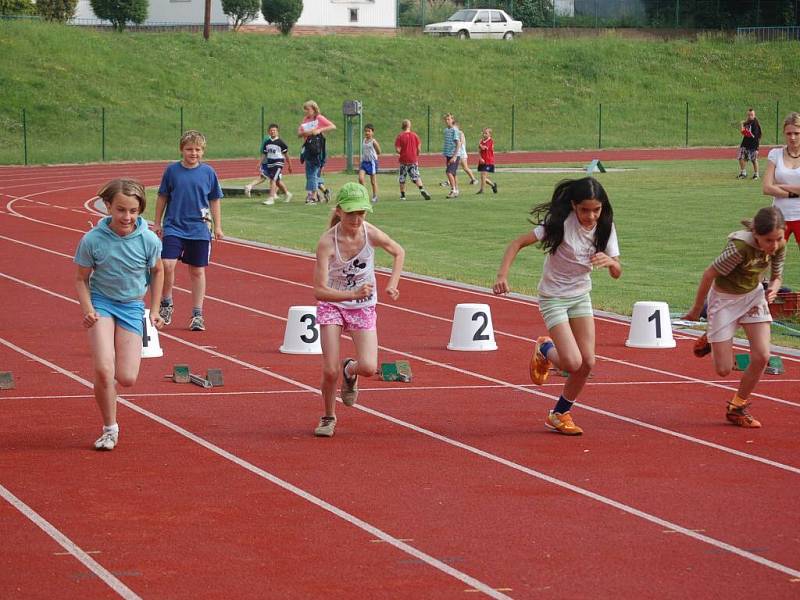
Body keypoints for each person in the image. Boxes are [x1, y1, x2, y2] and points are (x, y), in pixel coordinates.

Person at [493, 177, 621, 436]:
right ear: (574, 205)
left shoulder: (605, 226)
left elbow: (617, 271)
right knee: (573, 363)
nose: (591, 216)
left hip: (580, 296)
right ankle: (545, 347)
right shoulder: (559, 224)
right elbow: (516, 243)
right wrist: (502, 276)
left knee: (588, 362)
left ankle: (560, 413)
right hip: (553, 297)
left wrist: (610, 262)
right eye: (585, 210)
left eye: (596, 210)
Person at [74, 178, 164, 451]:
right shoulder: (92, 240)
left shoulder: (148, 239)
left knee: (126, 378)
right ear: (108, 206)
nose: (127, 217)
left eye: (133, 211)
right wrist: (88, 309)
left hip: (131, 306)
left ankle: (107, 386)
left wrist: (156, 309)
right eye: (121, 210)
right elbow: (81, 279)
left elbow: (158, 271)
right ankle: (109, 428)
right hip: (102, 304)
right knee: (103, 369)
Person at [312, 182, 405, 437]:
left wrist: (392, 283)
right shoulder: (326, 243)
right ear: (339, 211)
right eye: (351, 213)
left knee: (368, 368)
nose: (356, 218)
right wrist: (350, 293)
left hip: (362, 306)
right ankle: (328, 416)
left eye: (361, 213)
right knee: (329, 369)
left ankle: (349, 370)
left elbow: (398, 252)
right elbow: (319, 290)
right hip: (333, 303)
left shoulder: (370, 233)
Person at [684, 207, 786, 428]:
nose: (774, 245)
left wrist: (774, 288)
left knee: (762, 356)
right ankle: (712, 336)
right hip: (725, 300)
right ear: (756, 235)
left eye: (778, 239)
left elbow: (777, 276)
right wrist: (695, 309)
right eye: (769, 240)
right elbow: (709, 274)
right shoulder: (739, 248)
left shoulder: (779, 245)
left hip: (753, 297)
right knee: (724, 370)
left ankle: (737, 407)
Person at [154, 130, 224, 332]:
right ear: (181, 150)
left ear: (203, 151)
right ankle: (166, 302)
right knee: (167, 264)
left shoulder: (209, 172)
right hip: (174, 226)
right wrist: (157, 222)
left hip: (200, 228)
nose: (193, 153)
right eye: (189, 149)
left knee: (197, 271)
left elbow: (214, 200)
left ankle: (197, 314)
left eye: (198, 150)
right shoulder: (172, 171)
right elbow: (162, 197)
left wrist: (218, 226)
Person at [762, 112, 800, 254]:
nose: (792, 137)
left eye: (796, 133)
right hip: (779, 217)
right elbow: (766, 188)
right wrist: (794, 194)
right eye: (789, 133)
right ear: (784, 133)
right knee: (769, 259)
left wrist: (779, 187)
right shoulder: (775, 154)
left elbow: (773, 187)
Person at [244, 123, 293, 206]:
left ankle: (271, 198)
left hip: (278, 163)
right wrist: (259, 163)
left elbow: (286, 155)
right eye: (271, 131)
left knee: (273, 180)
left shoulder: (281, 142)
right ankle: (287, 194)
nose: (273, 132)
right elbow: (264, 154)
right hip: (270, 163)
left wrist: (290, 165)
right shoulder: (267, 142)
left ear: (277, 132)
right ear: (268, 132)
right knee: (277, 181)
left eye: (274, 130)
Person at [298, 100, 336, 205]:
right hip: (308, 148)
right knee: (311, 174)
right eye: (305, 109)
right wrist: (305, 133)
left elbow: (332, 126)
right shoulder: (305, 119)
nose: (306, 112)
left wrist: (319, 130)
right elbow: (299, 133)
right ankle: (325, 191)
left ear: (314, 109)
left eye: (308, 109)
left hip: (317, 149)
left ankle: (312, 196)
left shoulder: (319, 118)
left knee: (312, 173)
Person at [395, 119, 431, 201]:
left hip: (403, 160)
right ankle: (422, 189)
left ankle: (403, 195)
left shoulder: (400, 136)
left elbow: (398, 149)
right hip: (413, 159)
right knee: (416, 176)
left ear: (402, 126)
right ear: (409, 126)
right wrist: (416, 154)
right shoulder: (415, 135)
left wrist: (401, 152)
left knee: (402, 177)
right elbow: (419, 148)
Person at [358, 124, 382, 204]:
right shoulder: (364, 140)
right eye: (366, 131)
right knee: (361, 179)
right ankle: (365, 195)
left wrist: (373, 156)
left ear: (372, 132)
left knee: (373, 181)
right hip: (364, 162)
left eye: (369, 131)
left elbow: (379, 152)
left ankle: (375, 196)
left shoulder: (373, 141)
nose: (367, 133)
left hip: (372, 162)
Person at [737, 108, 762, 180]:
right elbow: (743, 131)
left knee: (754, 160)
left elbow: (756, 137)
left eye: (751, 115)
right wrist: (742, 124)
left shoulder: (755, 124)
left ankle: (756, 174)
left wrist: (757, 148)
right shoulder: (747, 122)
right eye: (748, 115)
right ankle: (743, 173)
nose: (750, 116)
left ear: (754, 115)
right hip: (745, 143)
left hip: (753, 145)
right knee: (741, 157)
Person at [442, 113, 461, 198]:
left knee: (448, 172)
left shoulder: (455, 130)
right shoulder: (446, 130)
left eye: (449, 119)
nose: (447, 121)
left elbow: (458, 144)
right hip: (448, 155)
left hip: (454, 155)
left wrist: (454, 156)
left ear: (452, 120)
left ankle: (453, 190)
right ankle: (456, 190)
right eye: (446, 119)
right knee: (453, 173)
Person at [477, 127, 498, 195]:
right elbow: (479, 151)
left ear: (490, 134)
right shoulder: (481, 141)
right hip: (482, 161)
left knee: (483, 176)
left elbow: (484, 147)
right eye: (483, 133)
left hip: (488, 161)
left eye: (486, 133)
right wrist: (480, 158)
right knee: (483, 177)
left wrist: (480, 145)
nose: (484, 134)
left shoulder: (490, 141)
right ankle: (493, 185)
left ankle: (482, 190)